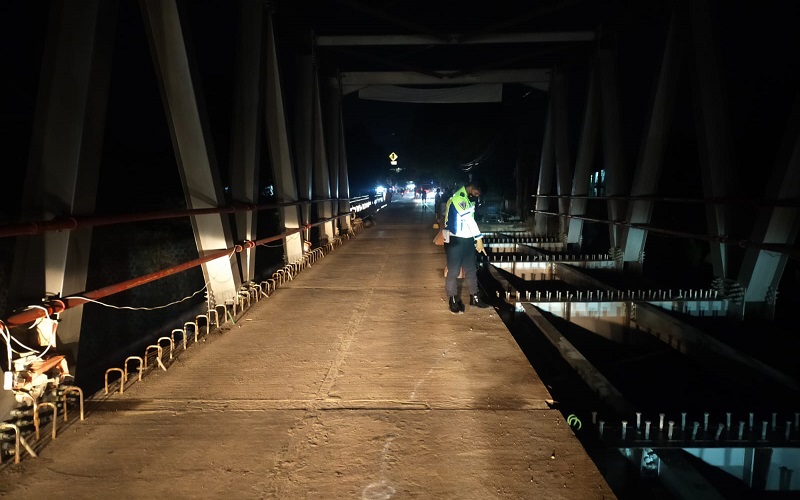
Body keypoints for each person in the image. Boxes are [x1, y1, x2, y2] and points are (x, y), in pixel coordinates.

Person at [443, 178, 490, 314]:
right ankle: (452, 299)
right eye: (477, 192)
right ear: (472, 187)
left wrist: (474, 239)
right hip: (456, 240)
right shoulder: (459, 198)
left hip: (468, 240)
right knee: (453, 271)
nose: (478, 195)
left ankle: (474, 297)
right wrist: (479, 238)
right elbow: (469, 219)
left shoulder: (468, 199)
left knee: (471, 270)